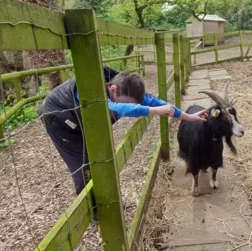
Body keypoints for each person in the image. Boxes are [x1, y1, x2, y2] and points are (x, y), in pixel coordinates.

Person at [37, 66, 207, 197]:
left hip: (87, 119)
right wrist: (153, 111)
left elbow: (159, 104)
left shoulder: (124, 85)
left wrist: (189, 117)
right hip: (60, 119)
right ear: (112, 90)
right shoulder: (90, 91)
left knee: (102, 158)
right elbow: (117, 107)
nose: (131, 108)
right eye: (129, 104)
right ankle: (95, 212)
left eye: (134, 104)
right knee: (83, 166)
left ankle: (107, 199)